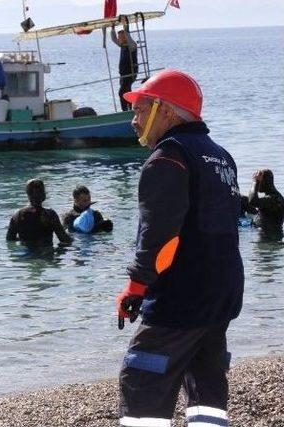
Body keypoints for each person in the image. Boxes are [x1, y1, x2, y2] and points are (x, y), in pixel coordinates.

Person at [115, 70, 244, 427]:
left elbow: (159, 237)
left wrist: (136, 288)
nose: (134, 120)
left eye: (141, 109)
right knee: (206, 387)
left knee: (142, 381)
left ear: (166, 112)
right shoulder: (221, 157)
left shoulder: (167, 159)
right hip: (222, 295)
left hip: (180, 299)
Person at [7, 179, 73, 246]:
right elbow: (65, 240)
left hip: (26, 255)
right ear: (43, 194)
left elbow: (10, 240)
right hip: (46, 254)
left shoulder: (17, 215)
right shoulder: (50, 214)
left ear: (28, 194)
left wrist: (24, 240)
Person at [247, 169, 284, 236]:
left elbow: (252, 201)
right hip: (268, 237)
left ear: (265, 182)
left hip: (269, 241)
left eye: (259, 181)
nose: (257, 187)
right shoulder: (274, 196)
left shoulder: (274, 198)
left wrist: (255, 182)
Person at [111, 26, 138, 111]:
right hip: (123, 74)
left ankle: (125, 111)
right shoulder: (122, 45)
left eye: (121, 37)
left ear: (125, 37)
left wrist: (126, 27)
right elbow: (114, 39)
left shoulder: (132, 45)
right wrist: (112, 28)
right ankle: (130, 109)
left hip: (130, 73)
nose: (119, 39)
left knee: (121, 92)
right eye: (119, 37)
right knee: (127, 91)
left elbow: (129, 37)